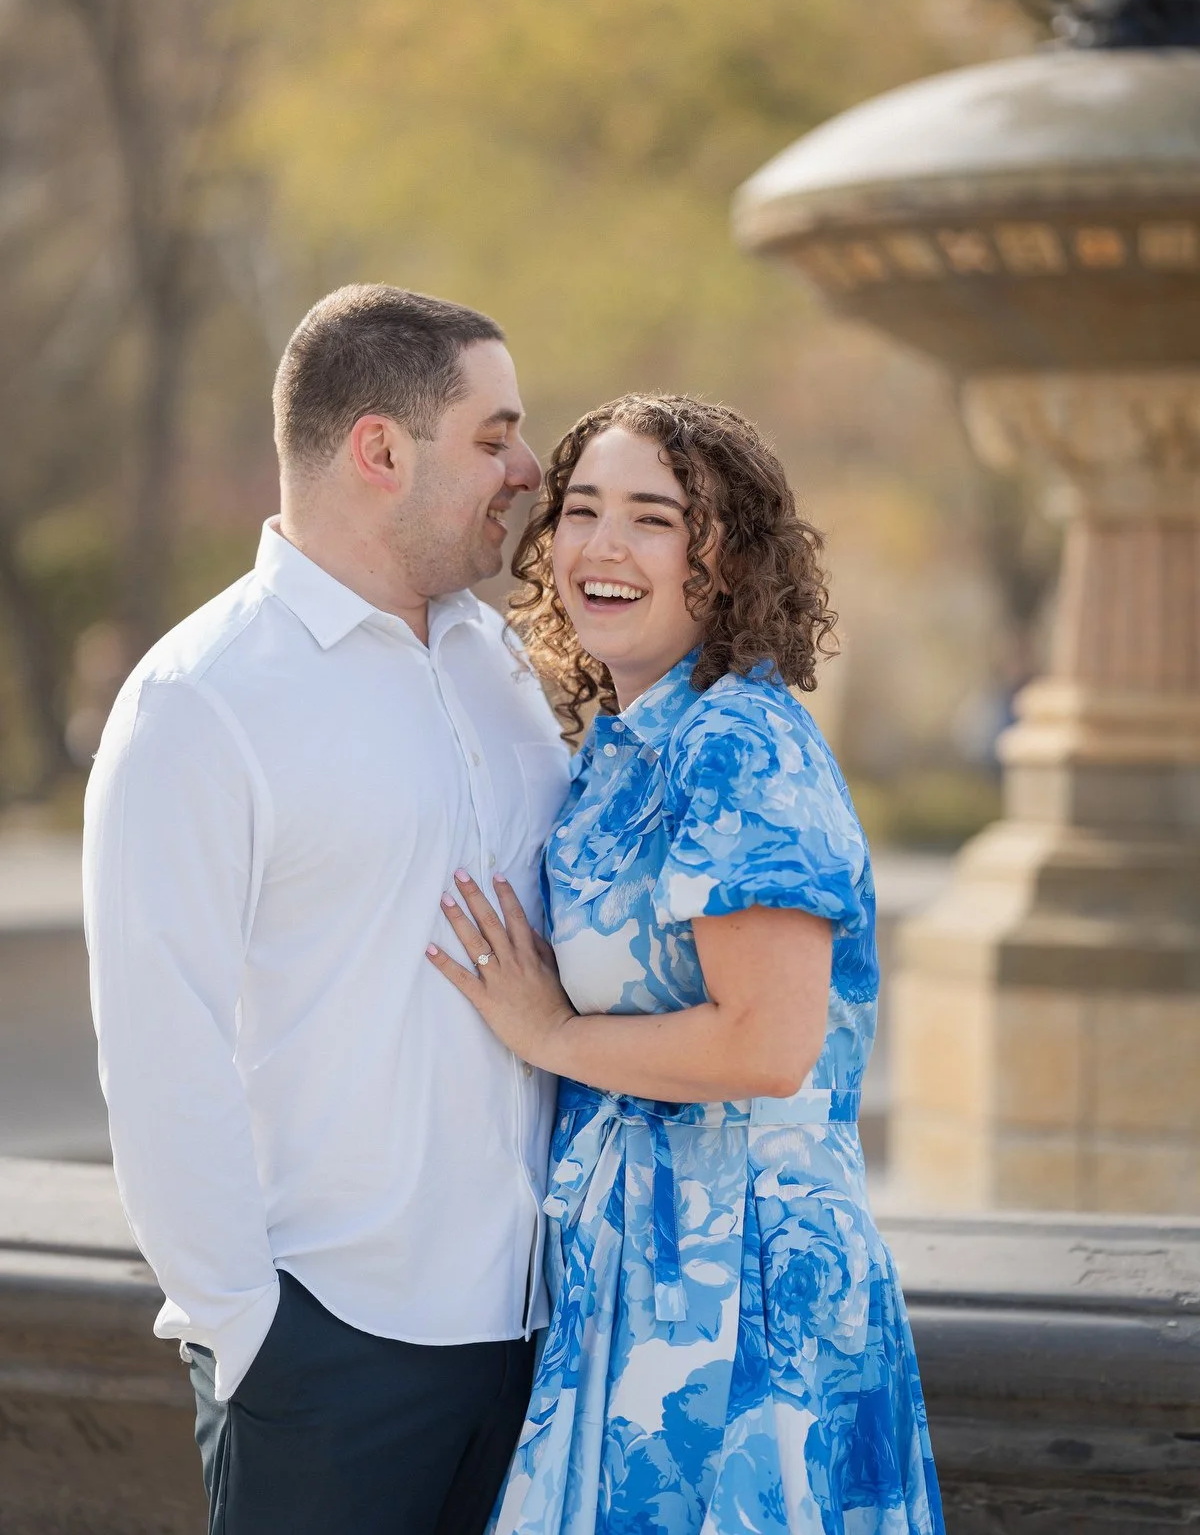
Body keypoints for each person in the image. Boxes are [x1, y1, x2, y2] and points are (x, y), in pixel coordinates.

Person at [82, 284, 571, 1535]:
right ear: (378, 449)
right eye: (494, 435)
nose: (528, 469)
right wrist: (253, 1331)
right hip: (330, 1358)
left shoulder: (508, 667)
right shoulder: (201, 701)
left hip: (539, 1342)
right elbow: (159, 1049)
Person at [428, 393, 946, 1535]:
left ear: (726, 558)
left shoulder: (736, 743)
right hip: (639, 1282)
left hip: (742, 1301)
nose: (603, 547)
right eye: (581, 510)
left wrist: (551, 1035)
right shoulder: (626, 741)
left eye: (653, 519)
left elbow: (769, 1043)